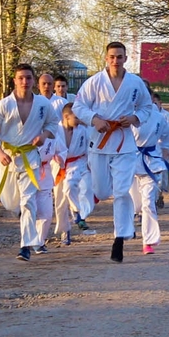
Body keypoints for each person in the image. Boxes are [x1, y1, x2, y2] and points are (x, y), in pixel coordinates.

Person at [73, 41, 154, 262]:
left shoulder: (135, 83)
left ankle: (119, 238)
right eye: (112, 57)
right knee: (101, 190)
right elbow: (78, 106)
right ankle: (117, 224)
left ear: (126, 58)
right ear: (106, 58)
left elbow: (147, 107)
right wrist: (94, 119)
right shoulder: (94, 82)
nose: (115, 60)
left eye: (119, 56)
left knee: (121, 191)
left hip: (125, 143)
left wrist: (134, 118)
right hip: (100, 141)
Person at [0, 63, 62, 261]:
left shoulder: (43, 105)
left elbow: (53, 123)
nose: (25, 82)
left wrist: (44, 135)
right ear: (15, 80)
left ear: (33, 81)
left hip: (30, 158)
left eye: (28, 78)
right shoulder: (3, 105)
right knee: (11, 203)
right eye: (21, 78)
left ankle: (25, 246)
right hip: (8, 157)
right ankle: (24, 220)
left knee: (28, 201)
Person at [130, 91, 169, 254]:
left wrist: (166, 150)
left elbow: (166, 136)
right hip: (130, 160)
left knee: (148, 203)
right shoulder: (127, 115)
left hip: (152, 161)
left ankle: (148, 242)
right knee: (135, 204)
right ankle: (126, 229)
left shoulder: (158, 117)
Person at [52, 103, 96, 244]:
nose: (78, 120)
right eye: (76, 118)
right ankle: (66, 231)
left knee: (77, 187)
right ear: (66, 116)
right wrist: (54, 156)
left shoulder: (83, 129)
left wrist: (91, 164)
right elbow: (46, 146)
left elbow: (93, 139)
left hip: (79, 163)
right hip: (59, 166)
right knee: (60, 201)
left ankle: (78, 214)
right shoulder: (54, 129)